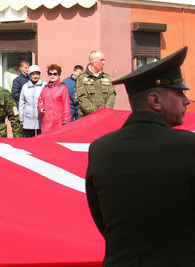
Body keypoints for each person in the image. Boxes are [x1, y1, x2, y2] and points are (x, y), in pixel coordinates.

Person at [86, 46, 194, 266]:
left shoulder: (100, 149)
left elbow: (101, 220)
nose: (187, 101)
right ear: (155, 101)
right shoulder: (189, 147)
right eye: (179, 93)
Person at [76, 51, 115, 117]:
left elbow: (111, 95)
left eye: (104, 60)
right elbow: (82, 98)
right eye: (101, 60)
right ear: (92, 60)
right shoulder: (82, 78)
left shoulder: (107, 77)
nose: (103, 63)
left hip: (105, 116)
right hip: (88, 118)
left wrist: (106, 111)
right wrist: (96, 114)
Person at [37, 64, 70, 134]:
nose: (52, 76)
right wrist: (40, 107)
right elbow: (40, 100)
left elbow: (66, 105)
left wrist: (66, 122)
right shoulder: (45, 88)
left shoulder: (62, 88)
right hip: (46, 122)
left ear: (59, 75)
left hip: (58, 122)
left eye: (55, 74)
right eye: (50, 74)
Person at [18, 65, 46, 137]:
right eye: (33, 74)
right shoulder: (25, 86)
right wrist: (21, 117)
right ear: (30, 75)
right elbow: (22, 102)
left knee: (41, 139)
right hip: (28, 117)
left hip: (41, 117)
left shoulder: (45, 86)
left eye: (37, 74)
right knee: (29, 140)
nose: (35, 76)